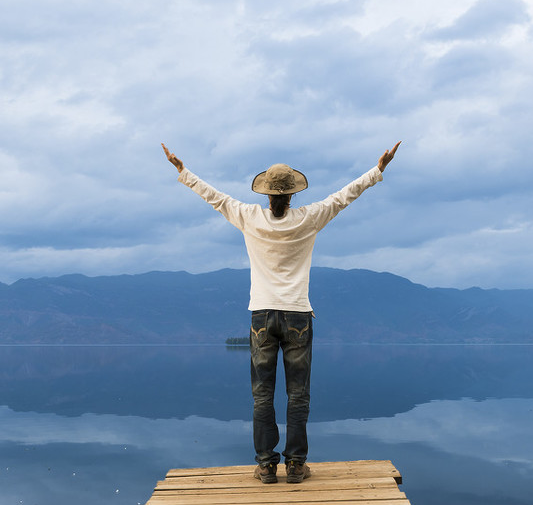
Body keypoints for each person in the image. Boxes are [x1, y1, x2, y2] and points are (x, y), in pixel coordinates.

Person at [162, 141, 400, 484]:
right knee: (298, 394)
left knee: (262, 394)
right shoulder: (309, 218)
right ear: (291, 196)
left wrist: (182, 171)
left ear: (266, 195)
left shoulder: (248, 216)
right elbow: (344, 196)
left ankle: (266, 464)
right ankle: (296, 465)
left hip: (261, 317)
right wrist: (378, 170)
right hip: (297, 316)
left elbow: (214, 197)